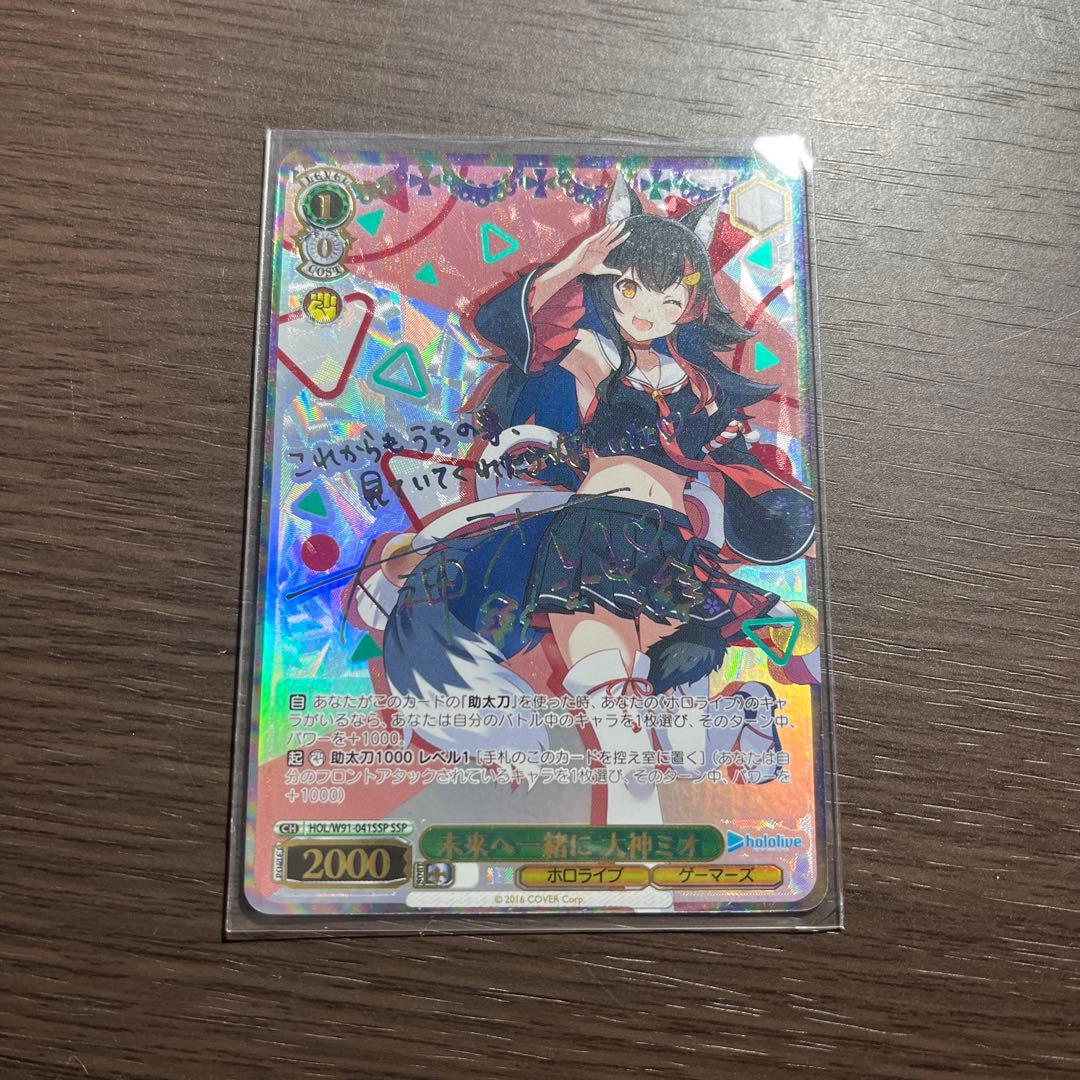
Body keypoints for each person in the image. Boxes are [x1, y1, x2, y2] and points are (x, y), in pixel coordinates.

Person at [365, 174, 814, 822]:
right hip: (591, 541)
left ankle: (743, 710)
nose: (647, 311)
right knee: (621, 735)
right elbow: (516, 334)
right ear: (609, 283)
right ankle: (637, 864)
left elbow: (743, 476)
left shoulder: (699, 385)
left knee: (687, 753)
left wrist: (747, 482)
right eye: (631, 289)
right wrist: (574, 264)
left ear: (689, 303)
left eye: (668, 299)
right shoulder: (590, 358)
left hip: (671, 554)